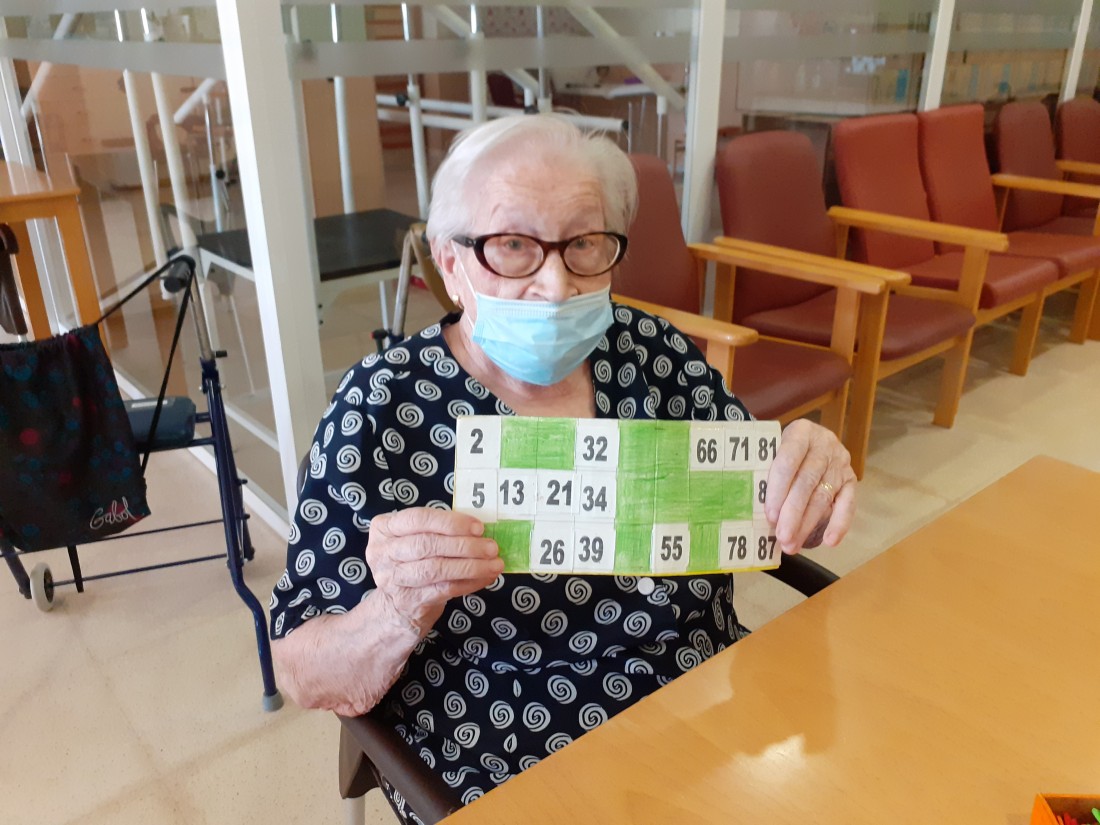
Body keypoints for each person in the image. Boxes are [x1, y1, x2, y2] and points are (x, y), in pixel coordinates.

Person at [269, 114, 856, 817]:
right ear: (450, 263)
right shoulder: (381, 407)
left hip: (708, 699)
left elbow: (771, 515)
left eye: (583, 245)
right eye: (513, 245)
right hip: (504, 748)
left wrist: (810, 481)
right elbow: (300, 669)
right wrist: (394, 611)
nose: (554, 285)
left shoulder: (654, 353)